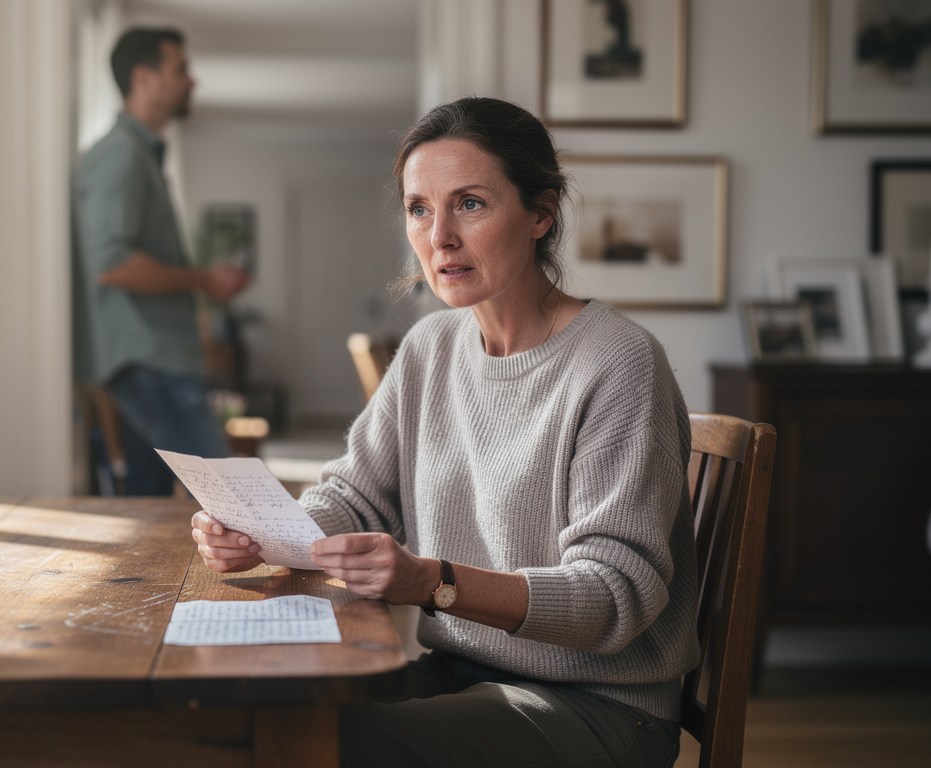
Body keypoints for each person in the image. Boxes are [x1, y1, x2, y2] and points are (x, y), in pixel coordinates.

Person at [190, 96, 697, 768]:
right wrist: (265, 530)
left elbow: (612, 600)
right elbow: (355, 496)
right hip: (457, 672)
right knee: (249, 716)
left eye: (471, 204)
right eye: (419, 208)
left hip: (595, 708)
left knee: (306, 747)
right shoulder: (430, 346)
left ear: (541, 213)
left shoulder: (619, 362)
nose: (440, 237)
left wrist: (433, 582)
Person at [74, 28, 249, 495]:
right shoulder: (120, 157)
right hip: (149, 358)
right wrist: (204, 280)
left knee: (145, 500)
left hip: (150, 356)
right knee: (231, 495)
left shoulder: (139, 156)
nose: (192, 82)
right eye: (181, 70)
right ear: (144, 78)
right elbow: (111, 263)